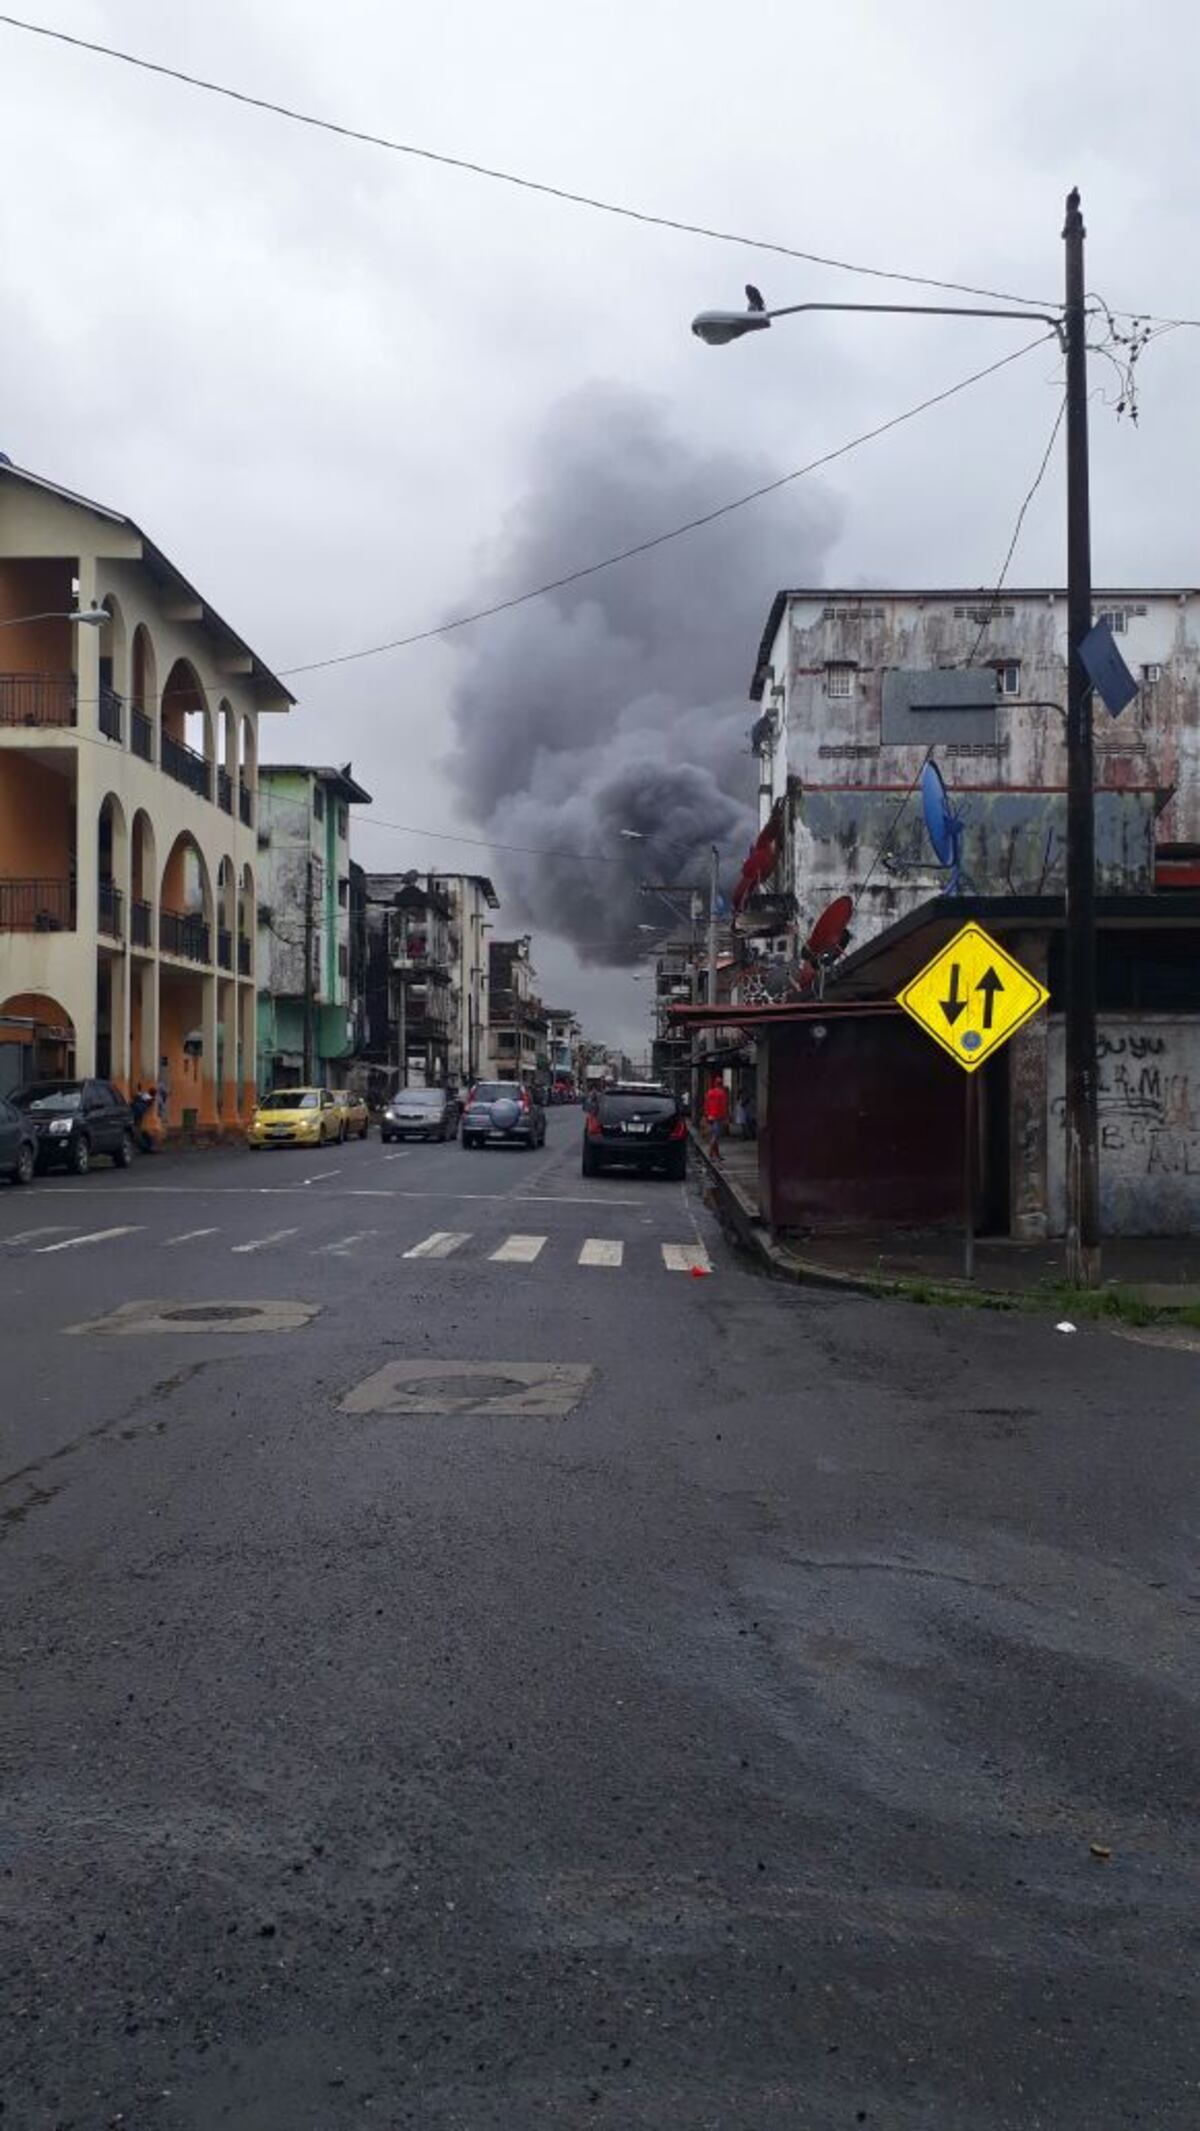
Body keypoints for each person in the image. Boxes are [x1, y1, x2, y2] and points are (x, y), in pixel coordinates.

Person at [703, 1076, 730, 1162]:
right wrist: (726, 1117)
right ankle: (710, 1154)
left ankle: (717, 1155)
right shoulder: (722, 1093)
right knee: (716, 1136)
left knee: (714, 1135)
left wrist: (706, 1115)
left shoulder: (709, 1092)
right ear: (721, 1084)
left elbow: (706, 1105)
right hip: (718, 1117)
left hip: (710, 1116)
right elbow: (724, 1106)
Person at [156, 1055, 171, 1125]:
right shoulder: (160, 1083)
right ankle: (162, 1119)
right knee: (161, 1107)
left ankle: (162, 1119)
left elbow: (165, 1091)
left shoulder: (160, 1083)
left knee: (162, 1107)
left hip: (159, 1098)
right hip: (158, 1098)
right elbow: (164, 1090)